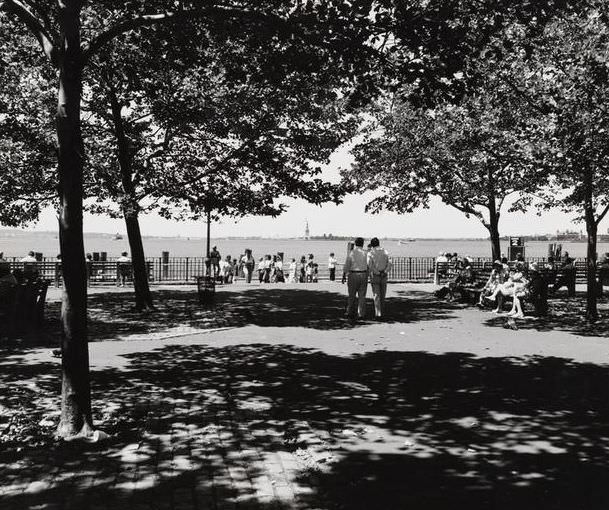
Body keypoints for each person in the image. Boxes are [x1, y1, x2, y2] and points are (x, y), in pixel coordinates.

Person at [342, 237, 369, 321]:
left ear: (355, 243)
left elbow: (347, 265)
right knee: (362, 296)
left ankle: (350, 312)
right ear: (363, 244)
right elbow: (369, 265)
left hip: (353, 274)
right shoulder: (366, 253)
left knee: (351, 295)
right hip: (363, 274)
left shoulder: (351, 253)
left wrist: (344, 274)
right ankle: (361, 313)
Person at [367, 237, 392, 320]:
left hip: (375, 275)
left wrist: (377, 272)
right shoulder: (385, 251)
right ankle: (382, 311)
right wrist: (384, 271)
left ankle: (378, 313)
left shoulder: (371, 253)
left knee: (376, 295)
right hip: (384, 275)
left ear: (372, 244)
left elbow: (370, 265)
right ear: (379, 243)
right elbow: (390, 263)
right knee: (383, 294)